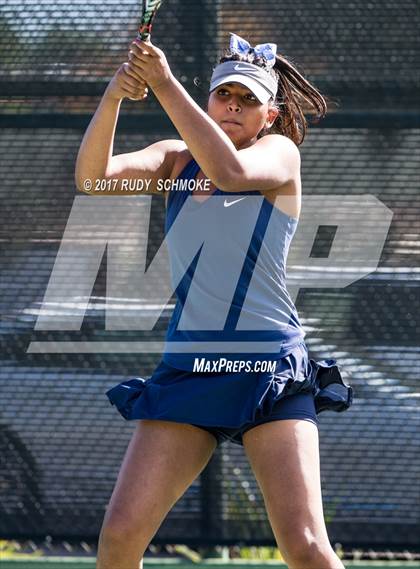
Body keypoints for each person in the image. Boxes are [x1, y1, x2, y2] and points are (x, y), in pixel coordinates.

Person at [75, 32, 352, 569]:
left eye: (249, 99)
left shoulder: (279, 154)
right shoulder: (175, 160)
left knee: (305, 546)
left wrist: (163, 82)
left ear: (270, 114)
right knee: (120, 536)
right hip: (192, 368)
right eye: (226, 94)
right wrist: (113, 96)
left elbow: (230, 172)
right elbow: (94, 179)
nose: (233, 105)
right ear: (210, 100)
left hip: (268, 367)